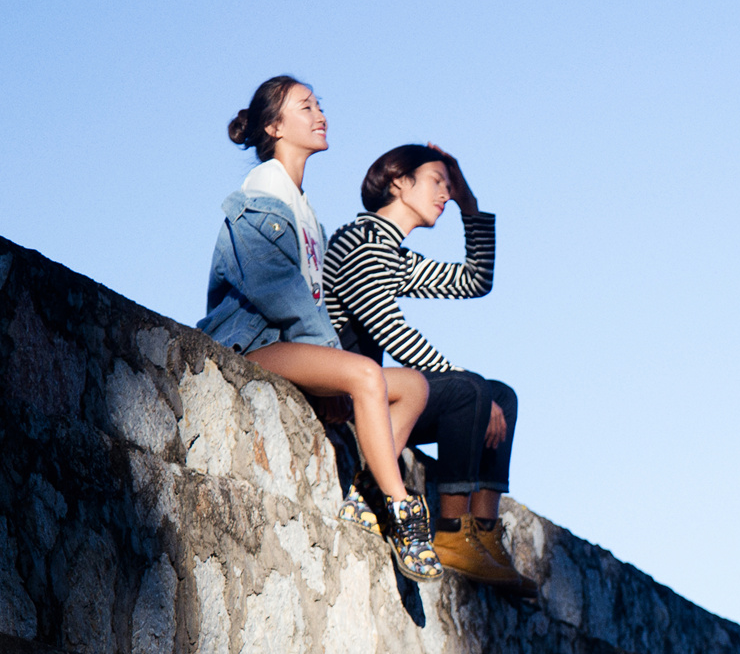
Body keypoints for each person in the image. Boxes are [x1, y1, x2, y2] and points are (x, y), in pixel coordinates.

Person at [197, 76, 442, 584]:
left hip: (297, 347)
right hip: (255, 345)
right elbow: (281, 296)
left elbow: (314, 301)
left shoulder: (304, 208)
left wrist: (330, 368)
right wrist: (333, 369)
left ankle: (367, 494)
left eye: (319, 105)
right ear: (274, 126)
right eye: (305, 107)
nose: (320, 115)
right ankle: (401, 510)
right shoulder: (261, 195)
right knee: (365, 375)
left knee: (414, 386)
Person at [324, 143, 527, 588]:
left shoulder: (393, 254)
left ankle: (483, 535)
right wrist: (470, 385)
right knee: (471, 390)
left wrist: (469, 205)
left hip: (382, 399)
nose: (445, 193)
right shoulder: (361, 242)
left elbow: (475, 280)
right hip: (348, 399)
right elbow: (392, 333)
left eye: (449, 186)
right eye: (437, 181)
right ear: (399, 183)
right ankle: (451, 533)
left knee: (502, 395)